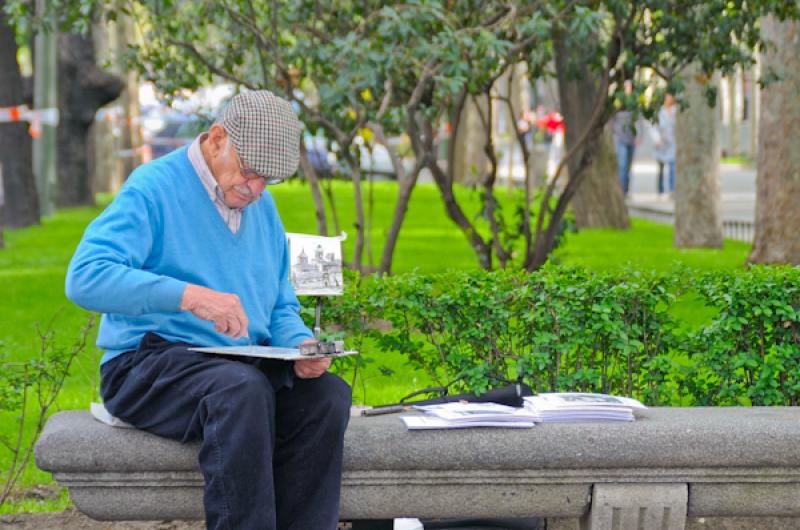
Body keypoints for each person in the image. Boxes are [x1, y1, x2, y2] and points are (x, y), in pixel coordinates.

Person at [65, 90, 352, 530]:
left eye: (267, 180)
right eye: (251, 172)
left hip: (239, 368)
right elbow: (85, 277)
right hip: (145, 364)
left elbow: (278, 304)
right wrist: (189, 296)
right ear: (217, 138)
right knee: (239, 391)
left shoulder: (263, 208)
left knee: (327, 396)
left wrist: (299, 344)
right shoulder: (153, 187)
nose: (255, 190)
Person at [612, 80, 639, 196]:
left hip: (631, 139)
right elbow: (612, 121)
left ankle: (626, 189)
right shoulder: (617, 103)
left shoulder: (635, 103)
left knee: (628, 166)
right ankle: (622, 190)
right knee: (622, 165)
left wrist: (639, 135)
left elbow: (639, 120)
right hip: (620, 139)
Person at [652, 92, 677, 197]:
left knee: (673, 166)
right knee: (661, 167)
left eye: (671, 96)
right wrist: (657, 139)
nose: (669, 99)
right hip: (661, 143)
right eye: (667, 97)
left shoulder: (676, 110)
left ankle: (672, 189)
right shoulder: (659, 111)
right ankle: (660, 189)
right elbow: (653, 126)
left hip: (673, 142)